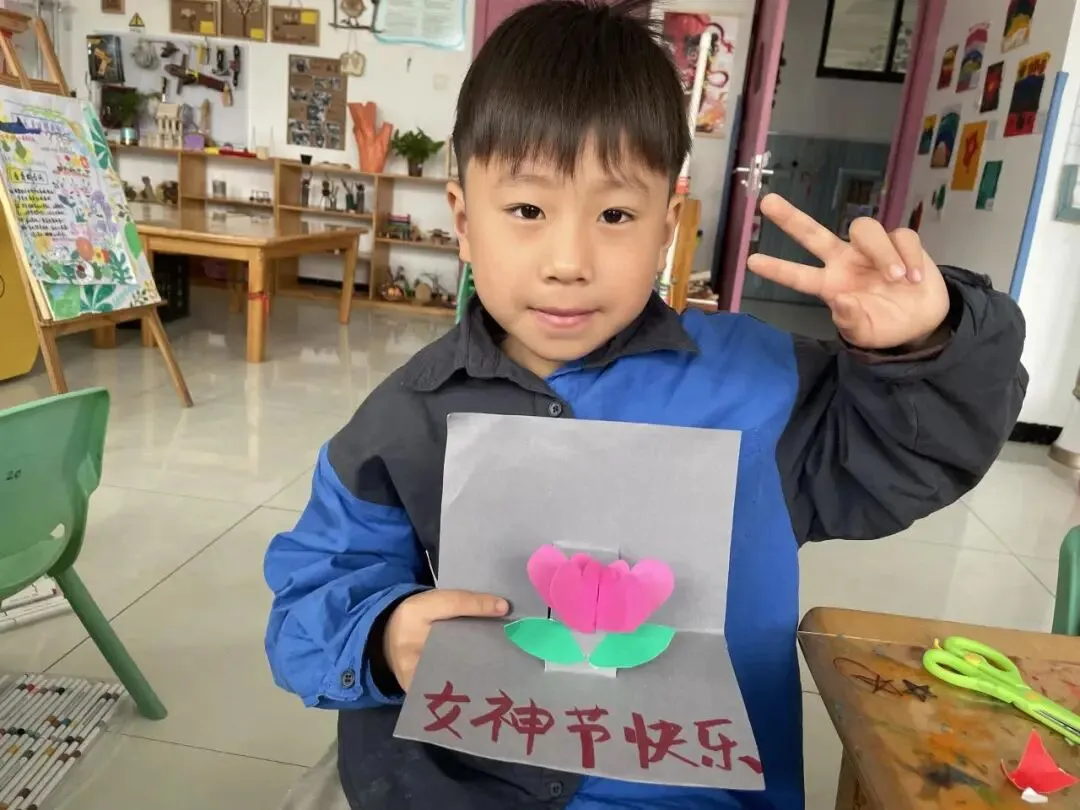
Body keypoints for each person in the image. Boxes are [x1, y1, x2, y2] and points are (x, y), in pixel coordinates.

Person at [263, 2, 1026, 808]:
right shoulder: (409, 413)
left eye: (615, 215)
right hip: (469, 787)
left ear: (666, 228)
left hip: (692, 789)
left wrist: (923, 347)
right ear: (463, 220)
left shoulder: (760, 385)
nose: (568, 261)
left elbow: (916, 457)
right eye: (527, 210)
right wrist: (382, 639)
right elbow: (312, 596)